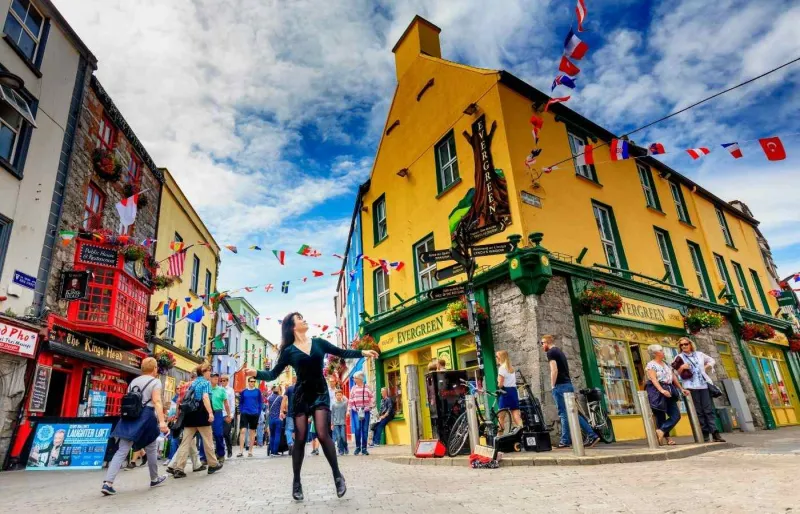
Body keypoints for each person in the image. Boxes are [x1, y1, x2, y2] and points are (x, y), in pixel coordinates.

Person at [243, 312, 377, 500]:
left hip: (320, 393)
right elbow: (273, 374)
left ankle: (338, 476)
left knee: (322, 433)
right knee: (300, 438)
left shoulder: (319, 342)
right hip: (301, 396)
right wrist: (255, 373)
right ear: (292, 326)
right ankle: (296, 482)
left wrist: (363, 352)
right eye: (300, 318)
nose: (304, 320)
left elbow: (341, 352)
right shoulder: (289, 351)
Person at [101, 357, 169, 495]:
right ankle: (154, 478)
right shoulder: (155, 382)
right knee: (151, 447)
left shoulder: (133, 381)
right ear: (155, 368)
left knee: (122, 449)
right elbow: (156, 401)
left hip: (131, 416)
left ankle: (108, 483)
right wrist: (162, 422)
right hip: (147, 416)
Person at [540, 335, 600, 448]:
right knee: (571, 412)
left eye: (542, 343)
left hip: (560, 386)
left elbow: (554, 370)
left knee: (564, 413)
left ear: (547, 342)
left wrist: (553, 385)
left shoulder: (551, 353)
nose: (542, 345)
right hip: (568, 385)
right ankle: (566, 440)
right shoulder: (559, 352)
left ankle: (589, 435)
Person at [172, 363, 223, 478]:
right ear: (204, 372)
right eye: (209, 370)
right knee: (208, 440)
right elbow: (205, 397)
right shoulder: (206, 383)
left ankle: (179, 468)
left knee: (185, 442)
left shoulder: (194, 383)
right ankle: (213, 464)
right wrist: (210, 412)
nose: (210, 372)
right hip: (201, 414)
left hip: (190, 414)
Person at [673, 337, 725, 443]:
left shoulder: (699, 354)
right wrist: (682, 367)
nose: (684, 346)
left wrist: (706, 367)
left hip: (704, 385)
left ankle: (715, 433)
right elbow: (674, 373)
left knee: (708, 410)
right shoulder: (679, 357)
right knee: (699, 412)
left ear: (690, 344)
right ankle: (704, 433)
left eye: (686, 344)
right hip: (690, 387)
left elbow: (712, 360)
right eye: (681, 345)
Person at [645, 345, 688, 446]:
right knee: (660, 416)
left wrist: (681, 389)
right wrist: (662, 390)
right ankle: (667, 439)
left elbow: (673, 378)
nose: (663, 352)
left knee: (676, 415)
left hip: (669, 389)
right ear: (655, 353)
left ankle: (661, 431)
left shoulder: (667, 364)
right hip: (657, 391)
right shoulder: (651, 365)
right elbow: (653, 379)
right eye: (661, 350)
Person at [495, 351, 523, 432]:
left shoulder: (501, 368)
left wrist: (498, 384)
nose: (496, 358)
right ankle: (522, 433)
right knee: (516, 415)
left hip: (505, 392)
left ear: (500, 357)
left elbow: (500, 384)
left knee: (501, 418)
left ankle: (499, 437)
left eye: (497, 356)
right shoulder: (511, 368)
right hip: (513, 392)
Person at [348, 371, 374, 456]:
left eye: (355, 378)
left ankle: (364, 448)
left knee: (365, 429)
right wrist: (350, 408)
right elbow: (350, 399)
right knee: (358, 429)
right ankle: (357, 447)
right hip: (356, 411)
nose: (354, 379)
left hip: (365, 411)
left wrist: (370, 406)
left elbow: (371, 398)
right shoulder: (353, 388)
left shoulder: (367, 387)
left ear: (360, 379)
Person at [238, 376, 263, 457]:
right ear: (248, 382)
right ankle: (241, 451)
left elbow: (260, 402)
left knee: (252, 432)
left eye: (253, 381)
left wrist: (258, 412)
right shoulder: (244, 391)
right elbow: (241, 402)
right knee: (243, 431)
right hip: (245, 412)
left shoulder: (258, 391)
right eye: (251, 381)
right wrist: (242, 410)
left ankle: (250, 451)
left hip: (254, 413)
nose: (252, 383)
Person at [210, 373, 231, 463]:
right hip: (206, 413)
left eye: (216, 377)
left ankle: (221, 454)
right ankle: (204, 457)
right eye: (213, 377)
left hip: (218, 413)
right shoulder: (206, 389)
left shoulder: (221, 390)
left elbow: (226, 403)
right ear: (209, 378)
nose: (215, 378)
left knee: (218, 434)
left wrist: (229, 414)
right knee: (206, 435)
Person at [266, 385, 285, 457]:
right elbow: (283, 408)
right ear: (278, 391)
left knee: (272, 435)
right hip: (278, 419)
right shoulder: (280, 398)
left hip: (271, 419)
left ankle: (272, 451)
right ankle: (275, 452)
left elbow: (268, 408)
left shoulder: (269, 398)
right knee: (277, 435)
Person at [221, 374, 236, 458]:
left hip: (227, 414)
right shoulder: (219, 389)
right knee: (219, 434)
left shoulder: (230, 390)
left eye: (224, 380)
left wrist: (231, 415)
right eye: (221, 380)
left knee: (226, 433)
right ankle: (221, 451)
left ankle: (229, 450)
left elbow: (232, 403)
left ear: (227, 381)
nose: (222, 382)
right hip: (220, 414)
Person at [331, 390, 349, 455]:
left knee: (343, 437)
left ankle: (345, 446)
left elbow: (347, 411)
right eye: (337, 395)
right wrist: (332, 424)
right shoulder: (333, 404)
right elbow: (332, 414)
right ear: (335, 396)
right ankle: (340, 450)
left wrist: (347, 413)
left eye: (340, 395)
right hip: (336, 423)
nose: (339, 396)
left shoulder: (344, 404)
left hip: (342, 423)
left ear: (342, 395)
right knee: (338, 437)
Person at [283, 375, 297, 453]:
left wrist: (282, 411)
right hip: (300, 414)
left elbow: (284, 400)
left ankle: (290, 443)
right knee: (297, 430)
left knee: (288, 429)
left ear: (293, 380)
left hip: (290, 413)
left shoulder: (289, 389)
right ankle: (296, 446)